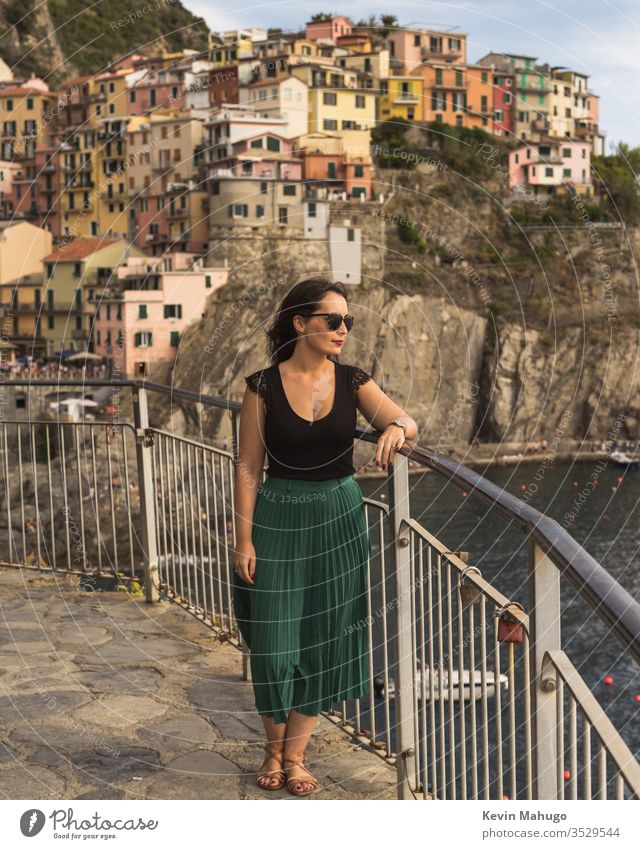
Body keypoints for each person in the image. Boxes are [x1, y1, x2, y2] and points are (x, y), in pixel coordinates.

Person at [232, 277, 417, 796]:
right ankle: (271, 747)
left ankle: (294, 755)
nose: (342, 330)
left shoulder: (354, 380)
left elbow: (405, 418)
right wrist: (243, 540)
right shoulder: (261, 386)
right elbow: (248, 466)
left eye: (347, 322)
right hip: (279, 516)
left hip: (339, 515)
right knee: (272, 644)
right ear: (301, 323)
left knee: (323, 638)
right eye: (332, 320)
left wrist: (397, 428)